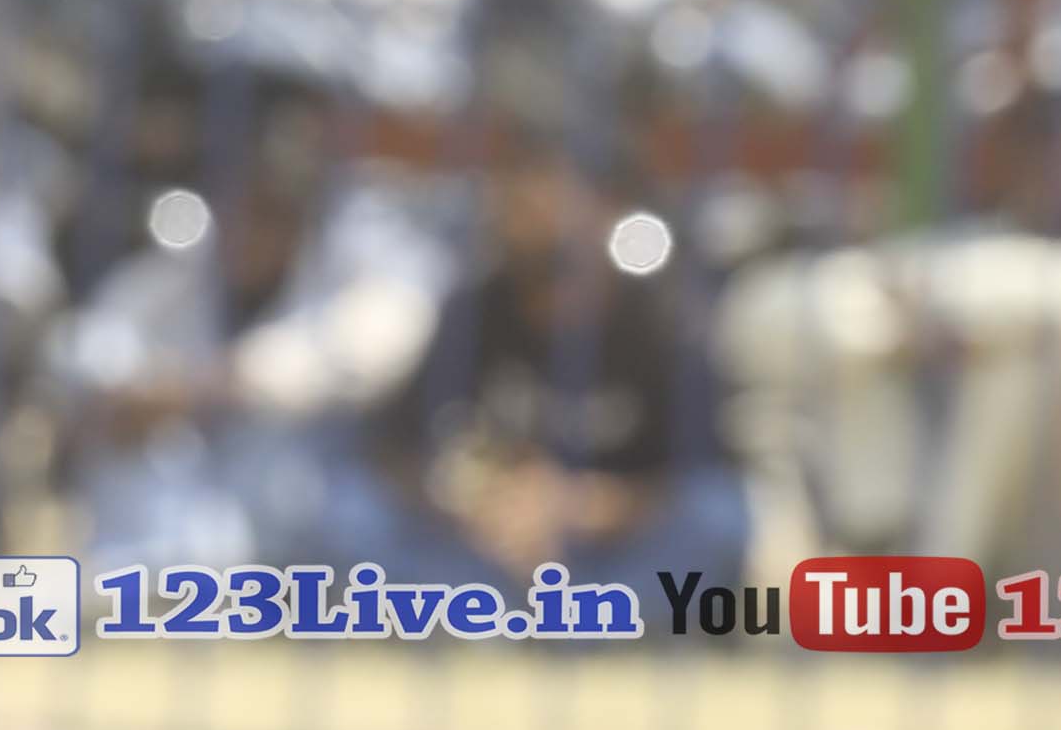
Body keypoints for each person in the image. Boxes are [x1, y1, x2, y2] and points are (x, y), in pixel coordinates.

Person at [48, 65, 449, 572]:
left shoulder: (363, 257)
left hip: (316, 512)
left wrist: (204, 388)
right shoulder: (186, 265)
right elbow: (86, 346)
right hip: (196, 518)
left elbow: (367, 351)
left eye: (270, 211)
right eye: (239, 204)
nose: (248, 227)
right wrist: (118, 401)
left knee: (351, 514)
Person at [354, 104, 745, 601]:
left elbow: (701, 474)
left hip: (615, 544)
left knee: (718, 521)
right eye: (513, 180)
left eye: (548, 182)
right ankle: (513, 612)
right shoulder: (473, 311)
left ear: (609, 205)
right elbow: (397, 449)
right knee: (352, 512)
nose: (524, 201)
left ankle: (579, 616)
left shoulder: (663, 321)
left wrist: (582, 506)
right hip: (487, 545)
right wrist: (478, 504)